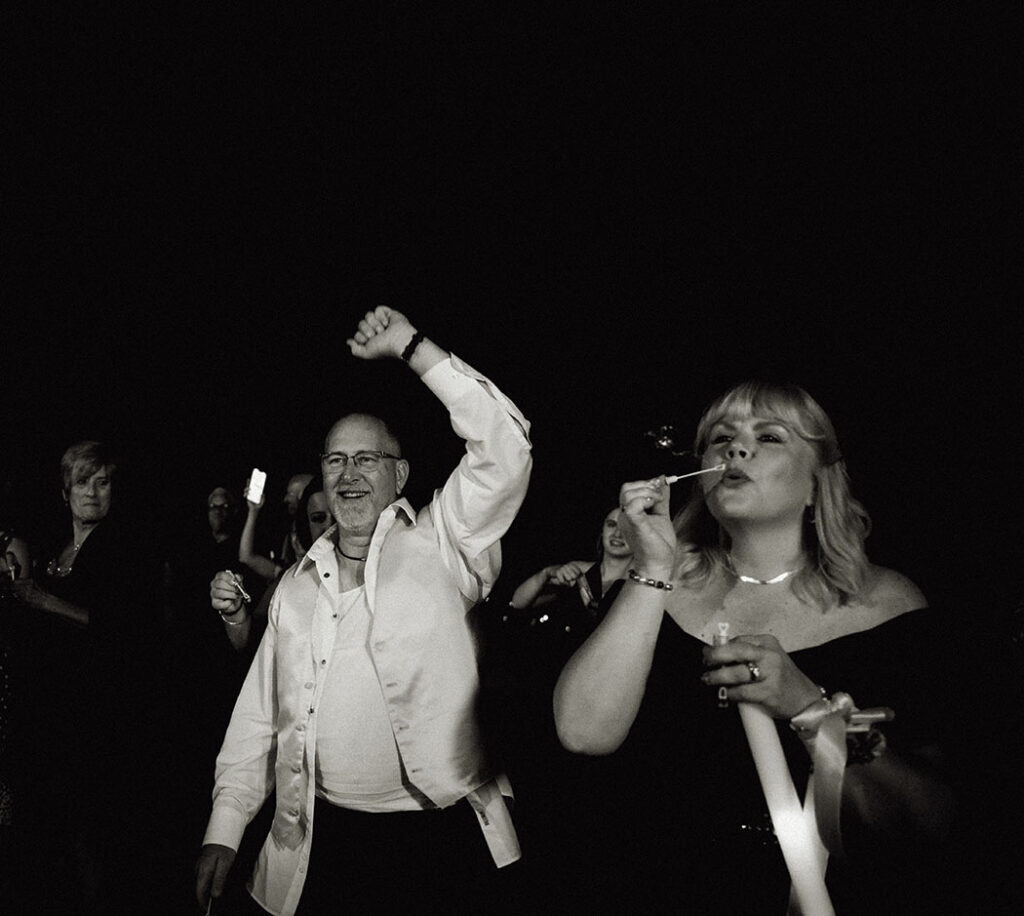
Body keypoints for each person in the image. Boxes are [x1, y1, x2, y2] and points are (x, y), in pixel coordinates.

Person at [552, 381, 955, 915]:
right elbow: (583, 734)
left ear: (817, 484)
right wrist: (651, 570)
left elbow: (928, 818)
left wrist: (810, 706)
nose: (735, 450)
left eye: (768, 437)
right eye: (722, 438)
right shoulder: (653, 593)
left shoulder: (890, 606)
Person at [195, 306, 533, 915]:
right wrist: (225, 827)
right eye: (335, 460)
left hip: (440, 837)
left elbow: (505, 447)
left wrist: (412, 348)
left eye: (366, 459)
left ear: (399, 474)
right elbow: (258, 717)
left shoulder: (445, 541)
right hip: (327, 845)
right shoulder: (296, 590)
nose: (348, 474)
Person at [216, 474, 333, 655]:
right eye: (318, 518)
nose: (330, 527)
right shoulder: (290, 578)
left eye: (294, 493)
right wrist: (234, 612)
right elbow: (249, 639)